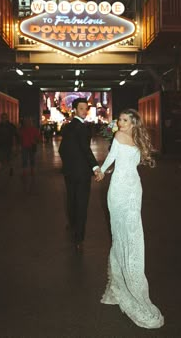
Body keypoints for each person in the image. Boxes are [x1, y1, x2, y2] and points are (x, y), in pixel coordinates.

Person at [96, 109, 164, 329]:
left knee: (122, 234)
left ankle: (128, 284)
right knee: (130, 232)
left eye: (124, 120)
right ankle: (122, 281)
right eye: (119, 120)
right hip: (134, 187)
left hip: (120, 188)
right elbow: (123, 159)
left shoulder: (119, 135)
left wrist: (101, 171)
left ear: (133, 122)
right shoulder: (137, 137)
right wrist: (113, 126)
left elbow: (111, 157)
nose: (119, 122)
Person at [59, 97, 101, 252]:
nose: (84, 111)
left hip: (69, 172)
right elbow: (86, 149)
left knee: (72, 199)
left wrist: (69, 164)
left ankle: (73, 226)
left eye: (86, 108)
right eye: (81, 108)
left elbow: (62, 150)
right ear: (75, 109)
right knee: (82, 203)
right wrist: (95, 166)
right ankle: (79, 237)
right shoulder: (83, 128)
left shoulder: (68, 127)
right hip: (82, 172)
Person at [0, 112, 18, 179]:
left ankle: (11, 169)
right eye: (3, 117)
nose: (3, 119)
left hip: (9, 145)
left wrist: (14, 145)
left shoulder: (10, 126)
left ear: (7, 118)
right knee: (0, 159)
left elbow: (14, 136)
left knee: (9, 159)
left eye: (5, 117)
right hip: (2, 146)